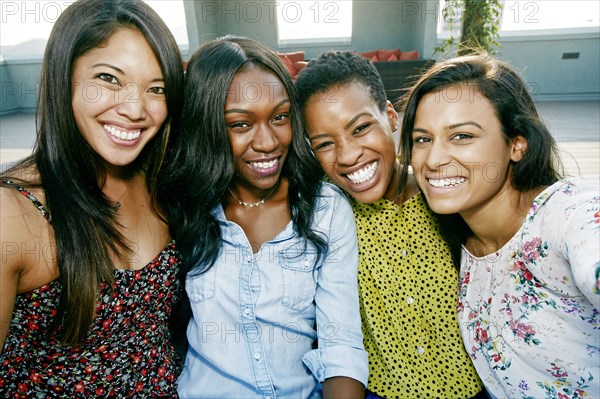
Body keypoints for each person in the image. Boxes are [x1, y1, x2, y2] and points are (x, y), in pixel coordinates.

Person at [0, 0, 184, 396]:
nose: (136, 109)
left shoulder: (161, 182)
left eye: (157, 89)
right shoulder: (10, 213)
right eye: (110, 78)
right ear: (63, 77)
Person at [170, 36, 368, 399]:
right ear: (207, 126)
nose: (267, 142)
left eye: (279, 118)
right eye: (240, 124)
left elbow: (341, 346)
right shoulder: (183, 206)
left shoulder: (324, 207)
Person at [399, 53, 600, 399]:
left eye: (461, 136)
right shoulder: (458, 240)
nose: (433, 160)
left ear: (517, 144)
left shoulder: (565, 213)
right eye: (422, 139)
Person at [295, 50, 484, 399]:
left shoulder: (447, 195)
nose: (348, 155)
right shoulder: (328, 217)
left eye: (361, 128)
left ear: (391, 117)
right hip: (380, 391)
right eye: (325, 144)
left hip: (475, 389)